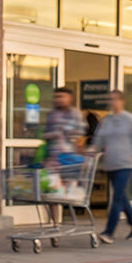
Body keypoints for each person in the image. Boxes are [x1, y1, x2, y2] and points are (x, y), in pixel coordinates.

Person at [90, 90, 132, 243]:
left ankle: (109, 232)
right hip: (111, 164)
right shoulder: (106, 121)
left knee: (116, 197)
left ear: (121, 101)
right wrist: (89, 153)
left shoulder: (130, 120)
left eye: (114, 99)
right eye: (109, 99)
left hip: (126, 163)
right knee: (121, 196)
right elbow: (98, 141)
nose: (111, 102)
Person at [41, 86, 86, 225]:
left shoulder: (76, 114)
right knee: (51, 192)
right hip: (53, 160)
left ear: (69, 98)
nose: (58, 100)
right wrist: (52, 136)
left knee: (67, 193)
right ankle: (55, 223)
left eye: (61, 97)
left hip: (69, 160)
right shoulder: (51, 115)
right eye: (56, 97)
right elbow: (44, 135)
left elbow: (81, 137)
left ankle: (68, 219)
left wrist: (81, 158)